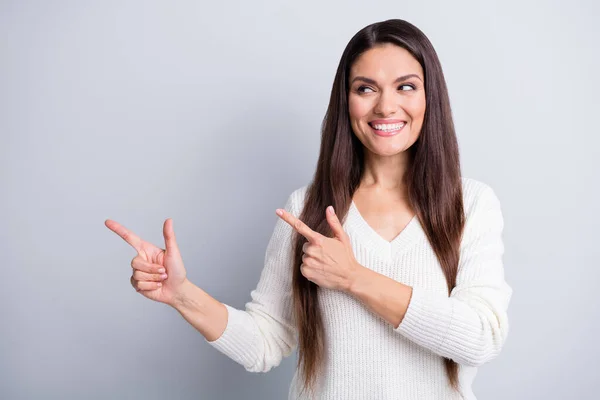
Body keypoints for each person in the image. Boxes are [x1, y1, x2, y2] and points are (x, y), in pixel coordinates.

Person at [105, 18, 512, 400]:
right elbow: (266, 341)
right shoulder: (308, 207)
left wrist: (355, 278)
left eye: (405, 86)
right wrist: (181, 294)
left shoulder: (470, 204)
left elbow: (481, 338)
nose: (386, 107)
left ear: (430, 96)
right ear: (346, 101)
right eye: (365, 89)